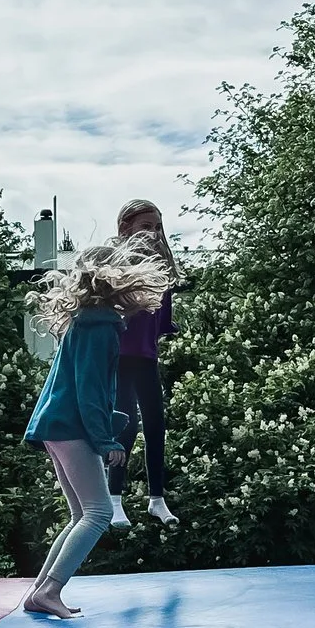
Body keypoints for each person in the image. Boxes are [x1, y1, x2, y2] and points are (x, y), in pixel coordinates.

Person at [22, 241, 174, 619]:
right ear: (120, 285)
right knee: (98, 513)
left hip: (56, 426)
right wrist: (105, 439)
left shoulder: (84, 322)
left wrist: (109, 421)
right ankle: (51, 590)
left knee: (80, 515)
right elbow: (90, 388)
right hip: (71, 426)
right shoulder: (101, 328)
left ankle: (39, 591)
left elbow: (74, 384)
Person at [106, 198, 182, 530]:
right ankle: (114, 499)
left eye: (157, 227)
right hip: (120, 356)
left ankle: (156, 499)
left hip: (146, 356)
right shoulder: (115, 267)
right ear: (125, 229)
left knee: (155, 425)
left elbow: (162, 322)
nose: (152, 233)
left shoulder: (161, 270)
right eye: (145, 227)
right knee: (126, 423)